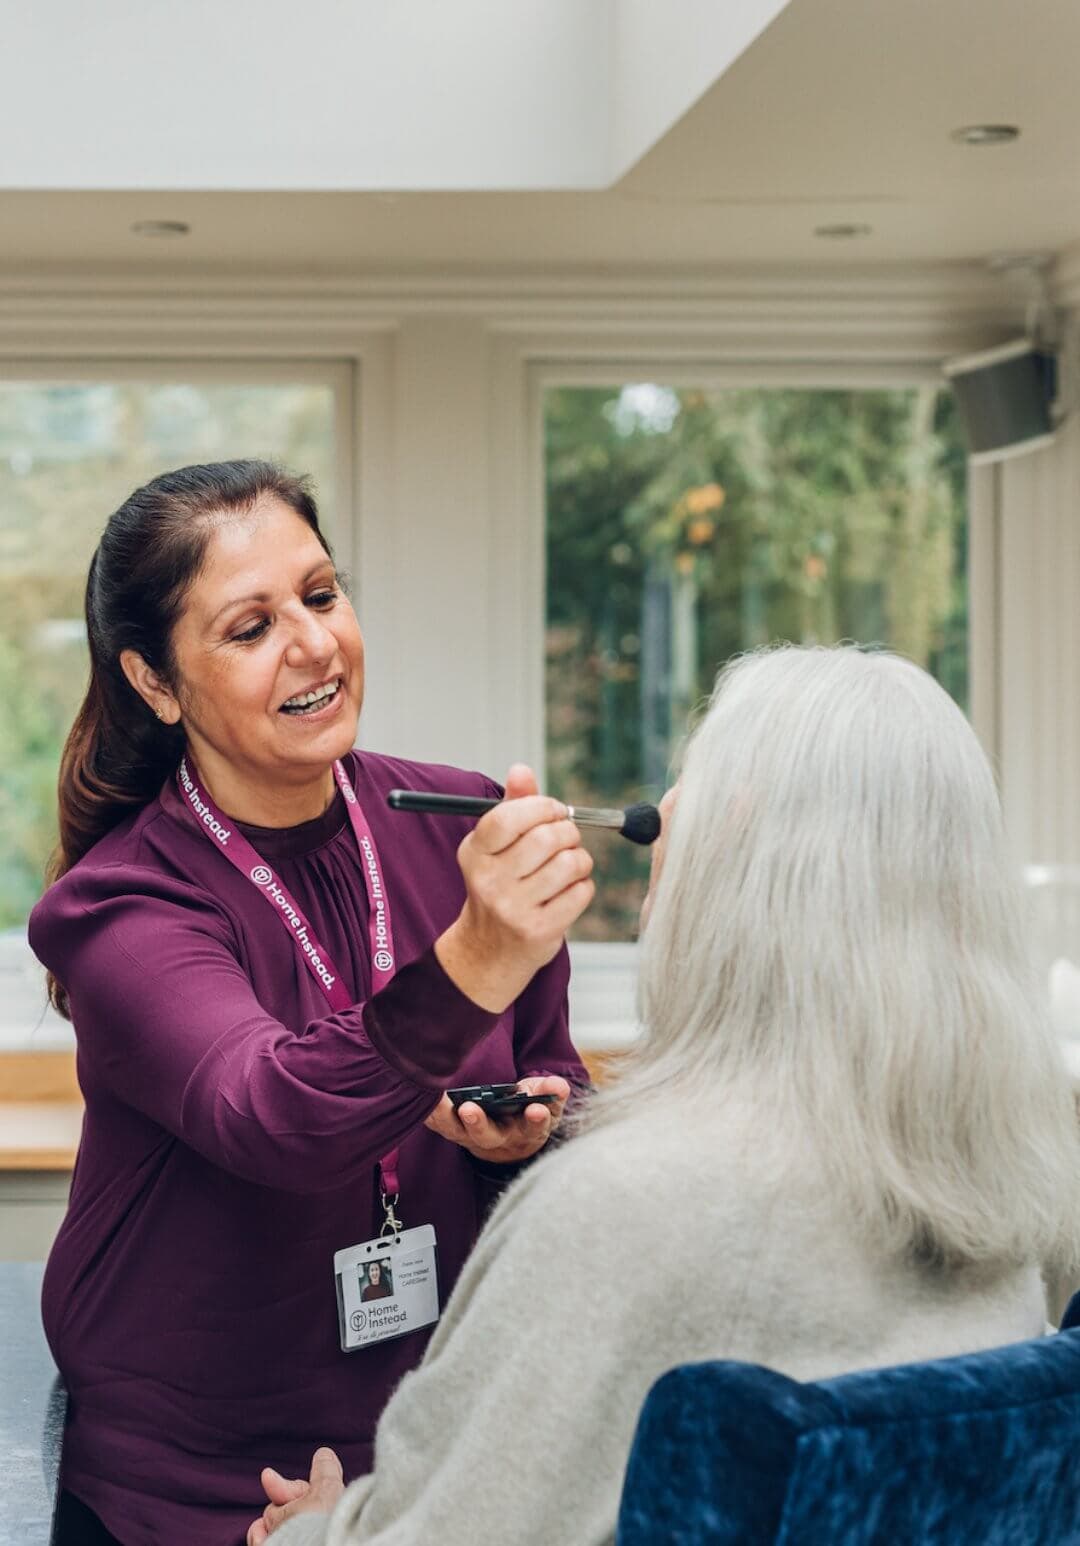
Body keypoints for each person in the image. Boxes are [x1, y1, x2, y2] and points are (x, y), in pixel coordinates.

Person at [247, 645, 1080, 1546]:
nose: (663, 816)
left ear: (740, 857)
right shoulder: (1030, 1195)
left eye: (689, 786)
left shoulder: (619, 1213)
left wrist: (315, 1529)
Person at [29, 460, 593, 1546]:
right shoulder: (119, 904)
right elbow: (271, 1114)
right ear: (154, 682)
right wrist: (478, 950)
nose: (314, 645)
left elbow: (554, 1069)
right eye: (249, 627)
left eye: (322, 595)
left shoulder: (460, 818)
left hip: (429, 1464)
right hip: (197, 1490)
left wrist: (527, 1126)